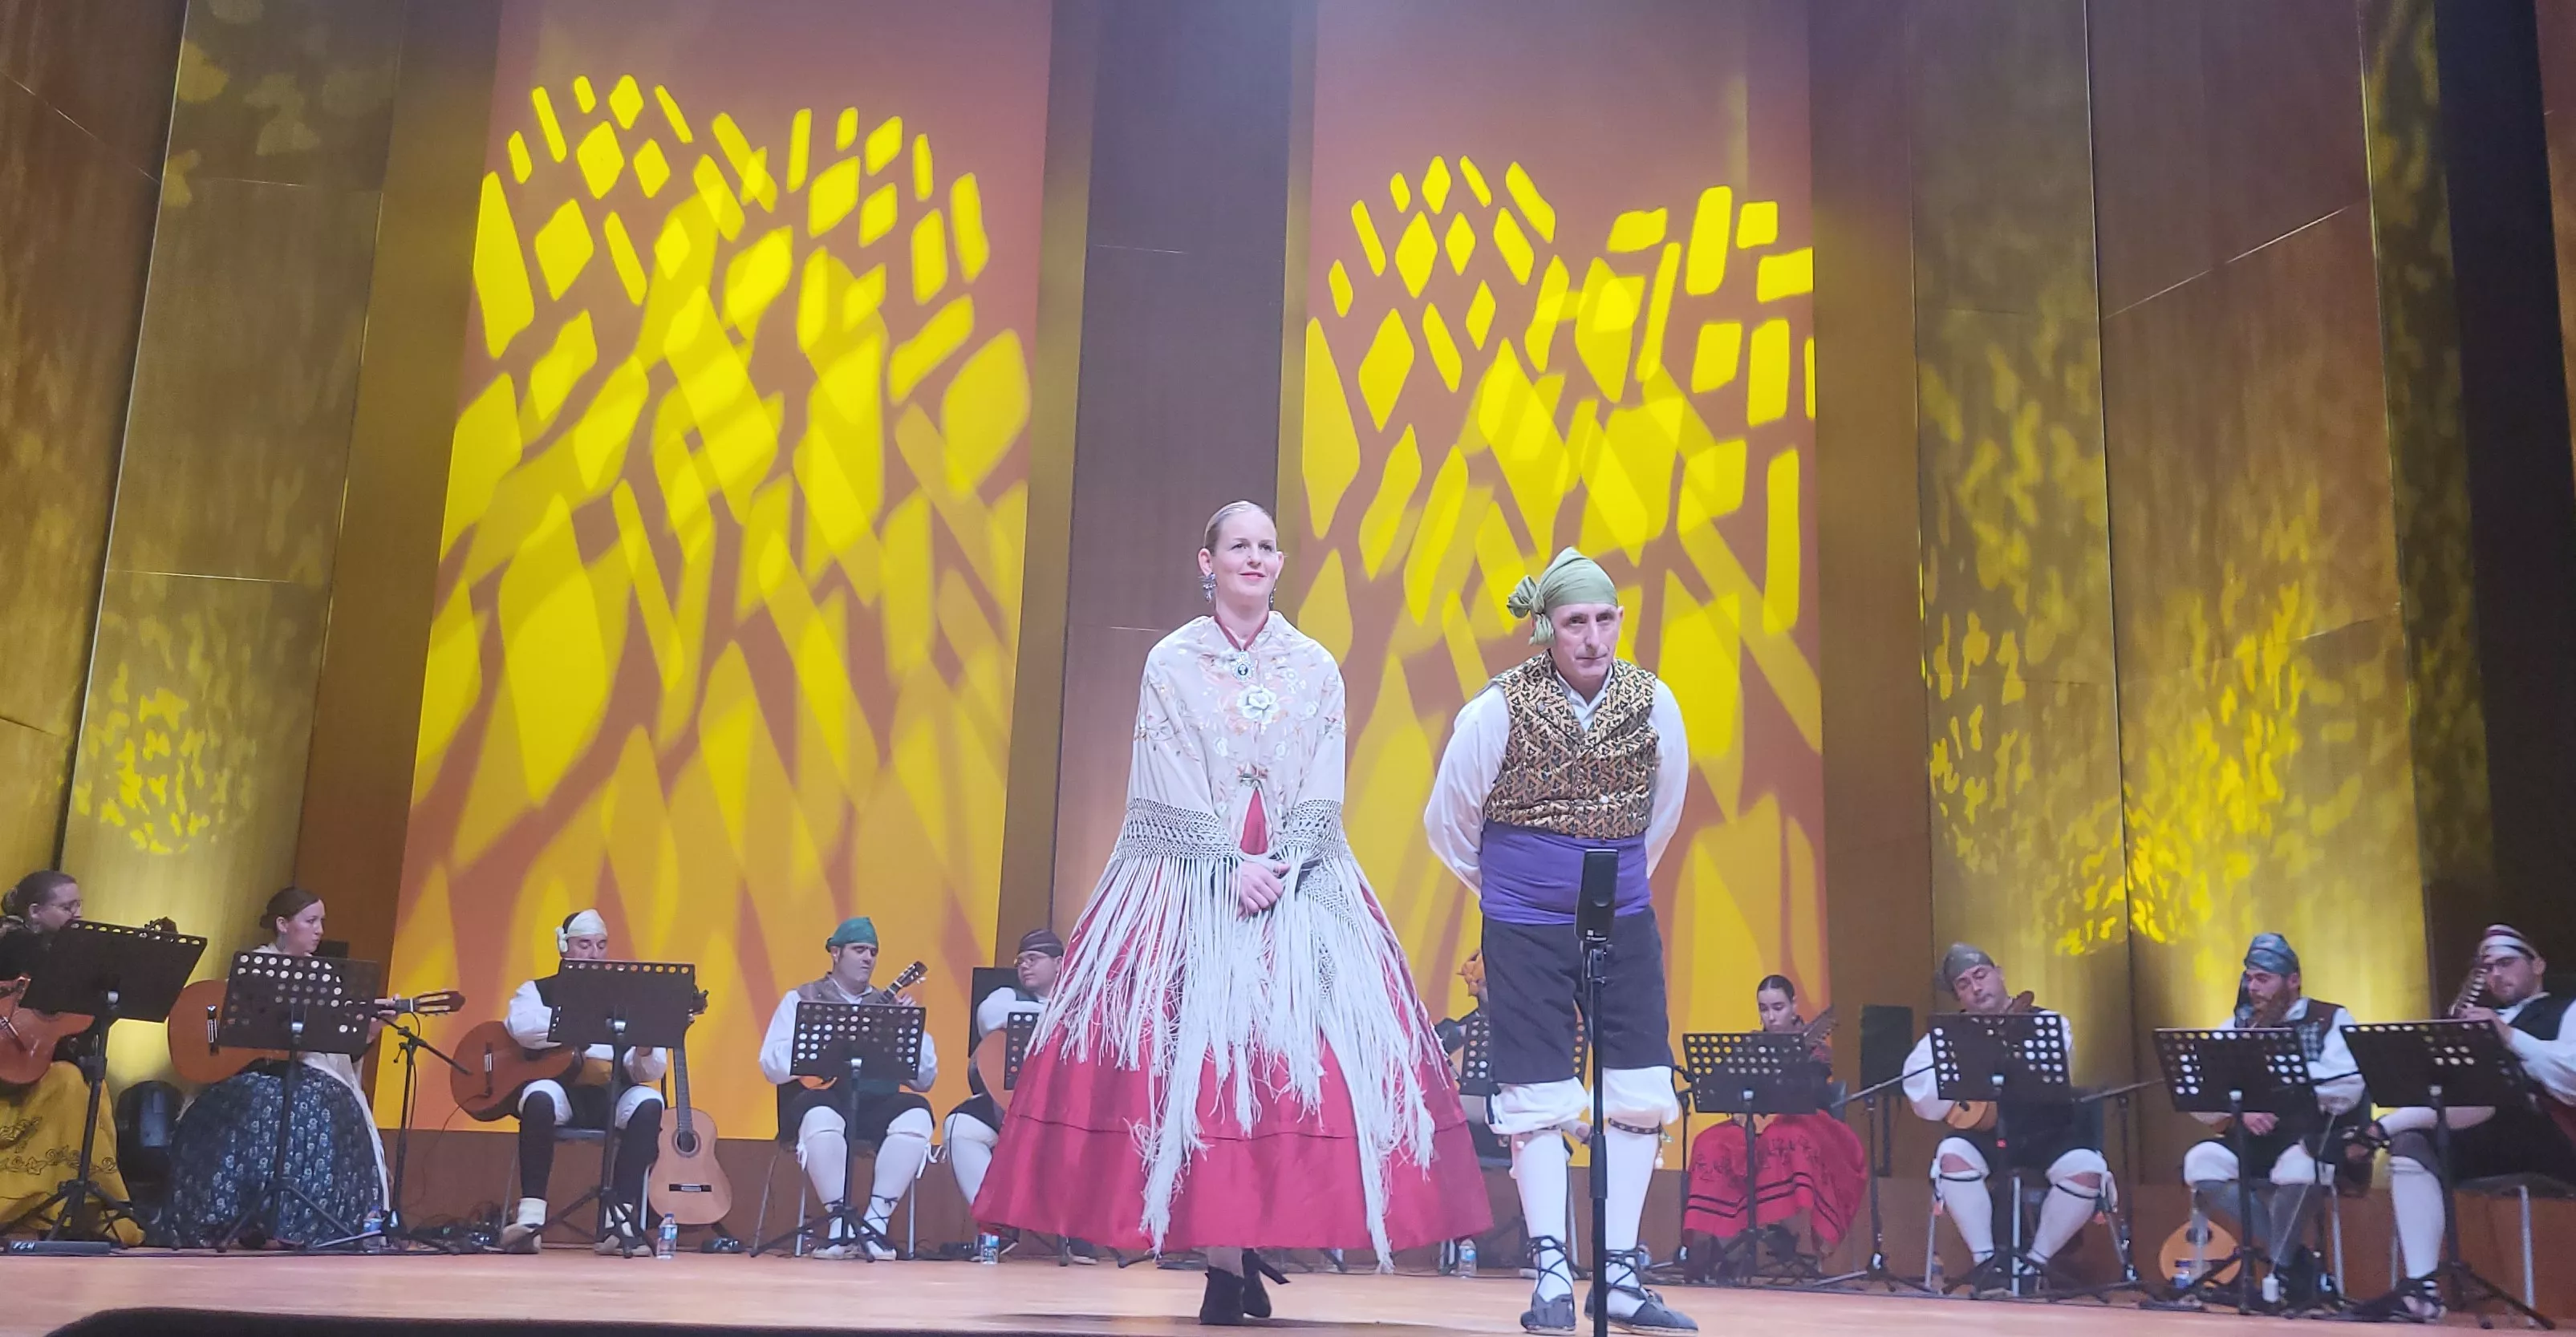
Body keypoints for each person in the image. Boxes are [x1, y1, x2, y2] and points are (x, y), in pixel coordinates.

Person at [977, 500, 1487, 1326]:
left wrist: (1282, 862)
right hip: (1188, 877)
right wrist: (1224, 865)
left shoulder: (1313, 663)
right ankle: (1222, 1260)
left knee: (1290, 1065)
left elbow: (1324, 769)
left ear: (1279, 564)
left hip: (1296, 876)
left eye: (1266, 546)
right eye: (1238, 545)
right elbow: (1165, 769)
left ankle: (1247, 1246)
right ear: (1206, 561)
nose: (1254, 557)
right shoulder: (1171, 661)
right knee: (1199, 1063)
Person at [1425, 546, 1697, 1335]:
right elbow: (1449, 820)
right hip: (1524, 925)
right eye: (1575, 621)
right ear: (1546, 626)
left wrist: (1610, 884)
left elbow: (1662, 810)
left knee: (1639, 1079)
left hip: (1622, 916)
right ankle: (1549, 1268)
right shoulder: (1499, 707)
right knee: (1537, 1086)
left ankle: (1618, 1274)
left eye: (1604, 619)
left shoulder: (1653, 701)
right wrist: (1514, 892)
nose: (1592, 636)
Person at [2351, 924, 2576, 1319]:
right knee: (2411, 1146)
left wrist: (2507, 1035)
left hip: (2545, 1138)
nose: (2496, 975)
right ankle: (2422, 1292)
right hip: (2480, 1138)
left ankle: (2381, 1129)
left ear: (2538, 965)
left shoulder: (2567, 1011)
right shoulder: (2476, 1018)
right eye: (2488, 968)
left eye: (2506, 963)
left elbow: (2571, 1080)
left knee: (2486, 1100)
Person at [164, 887, 390, 1246]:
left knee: (329, 1102)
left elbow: (337, 1047)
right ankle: (239, 1218)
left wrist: (370, 1030)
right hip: (252, 1072)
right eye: (310, 921)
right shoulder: (255, 964)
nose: (319, 931)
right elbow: (233, 1025)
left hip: (308, 1070)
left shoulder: (323, 975)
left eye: (322, 922)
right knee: (260, 1103)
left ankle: (306, 1223)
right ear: (283, 924)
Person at [1905, 944, 2112, 1292]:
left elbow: (2053, 1071)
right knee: (1952, 1154)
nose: (1976, 988)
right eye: (1964, 984)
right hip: (1985, 1136)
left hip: (2045, 1133)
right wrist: (1961, 1077)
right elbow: (1920, 1094)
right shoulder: (1945, 1037)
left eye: (1981, 976)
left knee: (2087, 1168)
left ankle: (2034, 1265)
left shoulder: (2047, 1023)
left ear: (1999, 974)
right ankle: (1986, 1263)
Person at [2176, 933, 2363, 1306]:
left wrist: (2283, 1085)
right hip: (2254, 1141)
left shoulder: (2329, 1018)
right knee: (2200, 1162)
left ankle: (2279, 1272)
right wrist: (2240, 1110)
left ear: (2293, 980)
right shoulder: (2237, 1025)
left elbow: (2348, 1087)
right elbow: (2199, 1090)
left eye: (2263, 978)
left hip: (2309, 1138)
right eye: (2249, 978)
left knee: (2297, 1169)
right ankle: (2294, 1264)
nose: (2253, 988)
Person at [757, 916, 937, 1260]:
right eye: (859, 950)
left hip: (874, 1105)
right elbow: (771, 1065)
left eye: (873, 952)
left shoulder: (888, 1006)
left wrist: (907, 1029)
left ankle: (875, 1224)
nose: (868, 958)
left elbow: (924, 1079)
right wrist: (821, 1039)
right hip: (822, 1099)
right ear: (836, 953)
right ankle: (839, 1224)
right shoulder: (802, 998)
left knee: (916, 1115)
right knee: (821, 1114)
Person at [497, 910, 668, 1255]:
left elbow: (648, 1071)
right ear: (564, 946)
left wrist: (645, 1048)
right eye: (585, 944)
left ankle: (619, 1222)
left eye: (601, 945)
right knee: (538, 1096)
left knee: (650, 1103)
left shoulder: (628, 995)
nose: (594, 953)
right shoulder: (537, 991)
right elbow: (523, 1028)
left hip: (610, 1093)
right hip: (562, 1090)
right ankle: (530, 1221)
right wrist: (583, 1024)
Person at [1682, 975, 1866, 1274]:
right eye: (1764, 1009)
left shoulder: (1816, 1051)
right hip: (1756, 1122)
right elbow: (1724, 1088)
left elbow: (1815, 1096)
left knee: (1784, 1137)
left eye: (1778, 1007)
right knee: (1710, 1142)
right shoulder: (1751, 1047)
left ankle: (1788, 1234)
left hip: (1804, 1121)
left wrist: (1793, 1069)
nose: (1771, 1016)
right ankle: (1724, 1243)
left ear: (1794, 1005)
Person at [0, 871, 140, 1241]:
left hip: (39, 1067)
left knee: (91, 1084)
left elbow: (68, 1030)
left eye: (79, 905)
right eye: (66, 907)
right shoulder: (12, 942)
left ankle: (78, 1209)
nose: (77, 914)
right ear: (35, 911)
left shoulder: (64, 955)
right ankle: (32, 1211)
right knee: (68, 1081)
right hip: (9, 1074)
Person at [947, 927, 1086, 1258]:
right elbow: (989, 1017)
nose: (1024, 966)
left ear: (1059, 963)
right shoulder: (1006, 997)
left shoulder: (1085, 1001)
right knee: (959, 1127)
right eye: (1021, 960)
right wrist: (1058, 1016)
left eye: (1033, 959)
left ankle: (1078, 1232)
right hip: (1009, 1108)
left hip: (1066, 1112)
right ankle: (997, 1223)